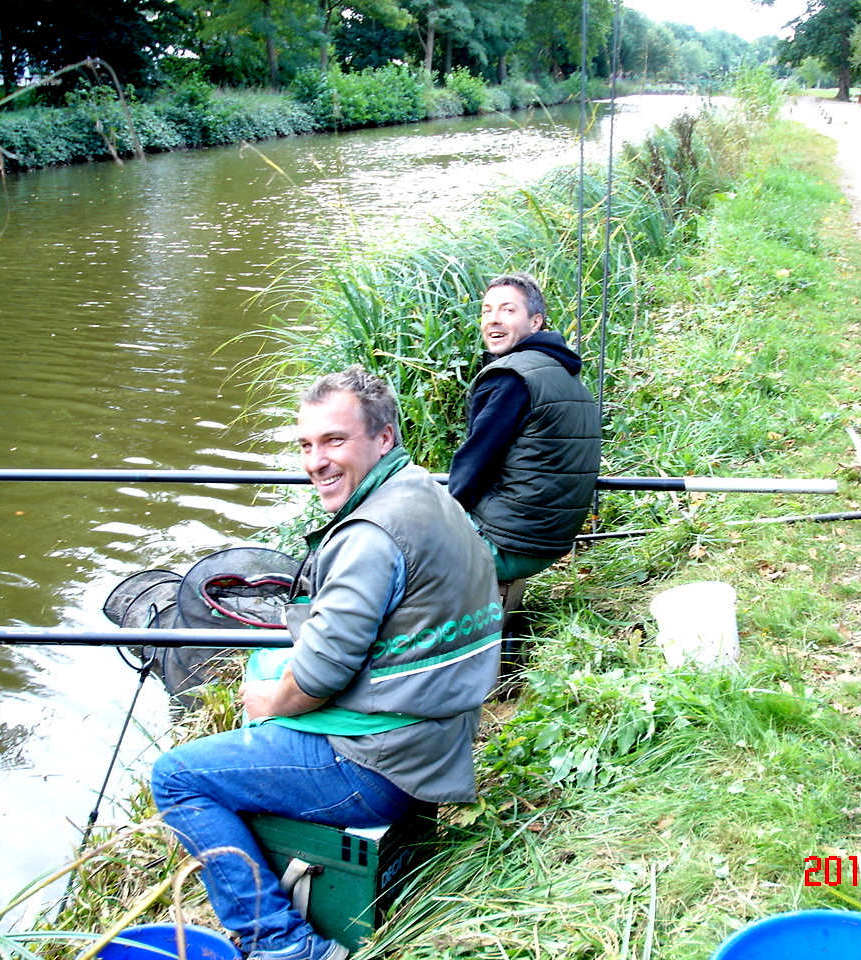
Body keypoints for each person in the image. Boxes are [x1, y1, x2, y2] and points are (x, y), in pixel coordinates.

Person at [152, 366, 502, 960]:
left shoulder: (370, 535)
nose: (317, 461)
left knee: (177, 778)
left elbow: (317, 677)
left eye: (335, 441)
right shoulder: (424, 492)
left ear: (383, 437)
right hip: (440, 739)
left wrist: (268, 702)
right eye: (307, 445)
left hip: (381, 767)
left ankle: (285, 947)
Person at [448, 272, 601, 583]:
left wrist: (442, 516)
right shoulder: (563, 373)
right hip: (547, 542)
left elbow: (474, 464)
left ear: (535, 322)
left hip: (507, 544)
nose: (493, 320)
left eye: (508, 310)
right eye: (486, 311)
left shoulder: (512, 378)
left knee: (391, 534)